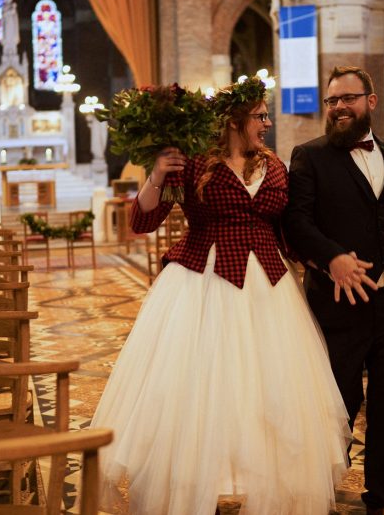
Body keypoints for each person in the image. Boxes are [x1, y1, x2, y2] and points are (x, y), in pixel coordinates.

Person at [91, 78, 351, 515]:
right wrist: (156, 173)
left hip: (269, 287)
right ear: (234, 120)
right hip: (202, 281)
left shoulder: (276, 166)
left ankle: (260, 483)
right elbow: (143, 220)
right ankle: (200, 481)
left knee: (270, 389)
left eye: (266, 115)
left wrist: (329, 260)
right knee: (202, 386)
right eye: (260, 116)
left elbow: (292, 226)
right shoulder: (191, 164)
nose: (267, 123)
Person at [283, 66, 384, 515]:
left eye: (349, 98)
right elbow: (296, 222)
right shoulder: (309, 156)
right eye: (332, 101)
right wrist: (332, 258)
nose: (340, 106)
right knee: (337, 403)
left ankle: (381, 497)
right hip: (339, 305)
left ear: (371, 101)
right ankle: (323, 487)